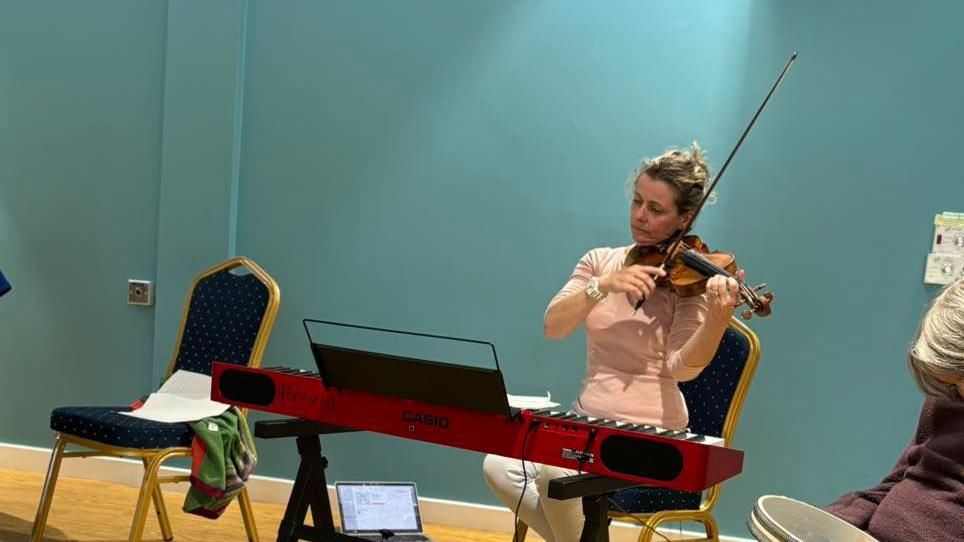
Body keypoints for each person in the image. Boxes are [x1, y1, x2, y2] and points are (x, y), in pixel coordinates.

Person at [483, 143, 743, 542]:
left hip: (653, 437)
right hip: (587, 422)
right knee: (498, 465)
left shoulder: (688, 283)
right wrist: (601, 287)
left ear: (684, 218)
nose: (640, 215)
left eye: (656, 210)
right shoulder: (600, 261)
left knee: (556, 471)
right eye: (637, 201)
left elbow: (683, 368)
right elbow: (553, 325)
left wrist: (716, 320)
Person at [825, 278, 964, 542]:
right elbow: (901, 477)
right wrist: (834, 520)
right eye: (951, 382)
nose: (956, 393)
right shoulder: (947, 396)